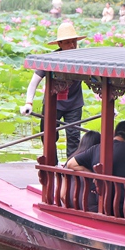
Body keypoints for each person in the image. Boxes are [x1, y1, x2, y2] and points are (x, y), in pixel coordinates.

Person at [20, 20, 86, 158]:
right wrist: (28, 103)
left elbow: (98, 81)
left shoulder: (84, 61)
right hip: (53, 104)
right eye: (68, 42)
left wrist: (109, 103)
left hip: (74, 104)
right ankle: (52, 163)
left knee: (74, 136)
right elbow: (34, 82)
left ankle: (71, 168)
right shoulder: (50, 60)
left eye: (74, 41)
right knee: (47, 134)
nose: (72, 45)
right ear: (60, 44)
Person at [66, 120, 125, 219]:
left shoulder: (97, 148)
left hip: (101, 201)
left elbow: (71, 164)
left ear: (115, 133)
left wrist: (93, 174)